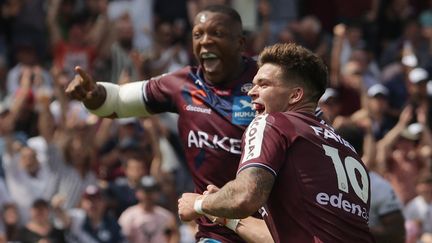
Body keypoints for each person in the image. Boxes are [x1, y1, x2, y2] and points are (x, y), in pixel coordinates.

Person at [66, 4, 257, 242]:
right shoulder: (183, 84)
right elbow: (119, 101)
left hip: (269, 228)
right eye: (198, 34)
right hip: (216, 232)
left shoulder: (265, 81)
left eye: (216, 33)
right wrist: (93, 94)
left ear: (240, 43)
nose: (205, 41)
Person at [178, 43, 374, 242]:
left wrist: (199, 204)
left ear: (295, 95)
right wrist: (224, 214)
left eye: (263, 85)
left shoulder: (272, 122)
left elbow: (245, 196)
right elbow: (282, 237)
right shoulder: (346, 149)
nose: (251, 92)